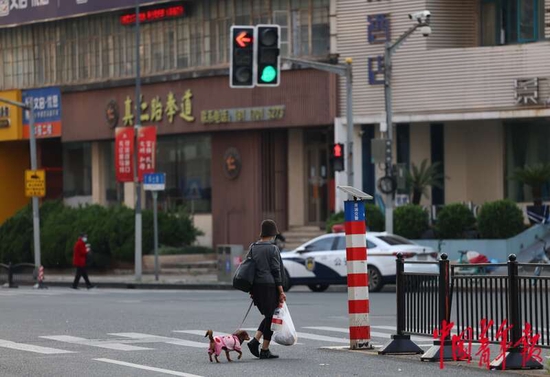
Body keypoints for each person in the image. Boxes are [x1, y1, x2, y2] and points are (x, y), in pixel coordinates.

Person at [247, 219, 286, 360]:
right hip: (269, 286)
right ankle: (264, 349)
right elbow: (276, 271)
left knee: (269, 316)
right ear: (272, 234)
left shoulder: (253, 247)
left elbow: (249, 267)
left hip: (256, 286)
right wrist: (281, 291)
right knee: (271, 318)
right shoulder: (273, 249)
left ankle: (255, 342)